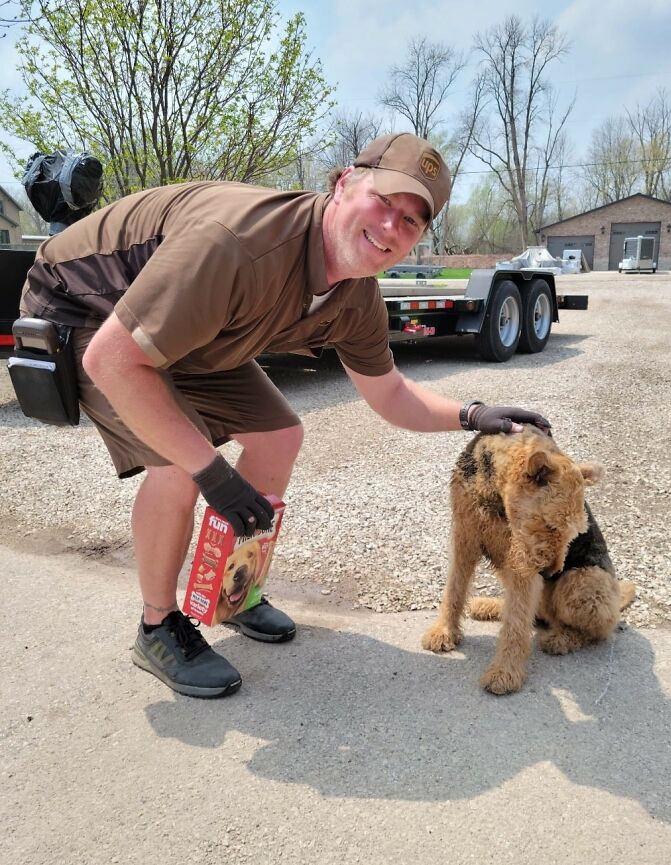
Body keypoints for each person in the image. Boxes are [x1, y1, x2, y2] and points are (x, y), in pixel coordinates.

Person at [20, 132, 550, 699]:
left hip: (186, 330)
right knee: (179, 464)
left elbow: (390, 394)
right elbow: (114, 359)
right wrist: (213, 474)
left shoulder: (355, 293)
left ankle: (234, 590)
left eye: (413, 221)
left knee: (279, 436)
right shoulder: (239, 244)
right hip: (85, 310)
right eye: (384, 201)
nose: (393, 226)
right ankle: (157, 627)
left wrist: (473, 414)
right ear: (345, 182)